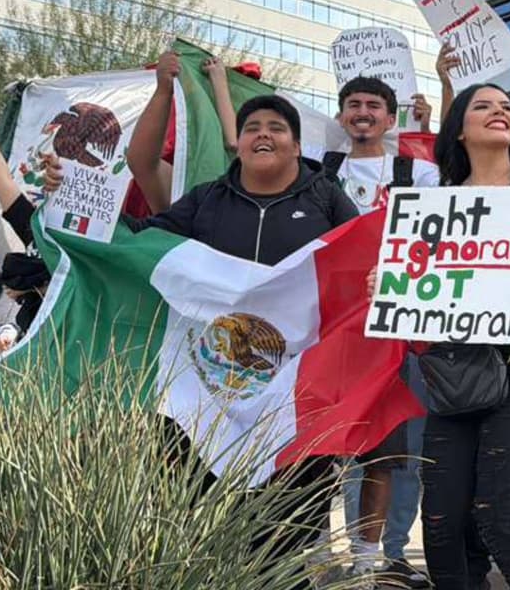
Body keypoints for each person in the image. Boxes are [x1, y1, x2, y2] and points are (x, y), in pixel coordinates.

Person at [125, 93, 358, 584]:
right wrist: (70, 205)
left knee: (287, 532)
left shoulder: (326, 198)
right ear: (239, 143)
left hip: (298, 399)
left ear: (296, 145)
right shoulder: (207, 199)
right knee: (204, 525)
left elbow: (364, 259)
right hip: (206, 398)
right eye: (253, 127)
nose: (263, 135)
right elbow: (142, 246)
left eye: (277, 127)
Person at [409, 83, 510, 590]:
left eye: (506, 106)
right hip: (453, 366)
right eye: (483, 106)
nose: (500, 111)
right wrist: (389, 284)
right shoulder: (431, 205)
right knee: (439, 521)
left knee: (498, 513)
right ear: (459, 129)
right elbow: (416, 289)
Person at [302, 75, 435, 589]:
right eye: (353, 104)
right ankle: (314, 552)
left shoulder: (419, 172)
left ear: (389, 116)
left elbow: (438, 235)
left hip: (395, 328)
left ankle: (387, 553)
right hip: (333, 326)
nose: (363, 112)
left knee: (395, 448)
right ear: (341, 116)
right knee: (320, 447)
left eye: (373, 105)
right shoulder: (317, 170)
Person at [0, 96, 64, 347]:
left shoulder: (94, 243)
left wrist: (35, 286)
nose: (53, 183)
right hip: (31, 344)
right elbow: (1, 181)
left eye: (61, 178)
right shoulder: (36, 229)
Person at [127, 51, 238, 215]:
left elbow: (234, 141)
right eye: (253, 128)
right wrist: (164, 91)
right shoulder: (199, 183)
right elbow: (143, 163)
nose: (264, 136)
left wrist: (218, 79)